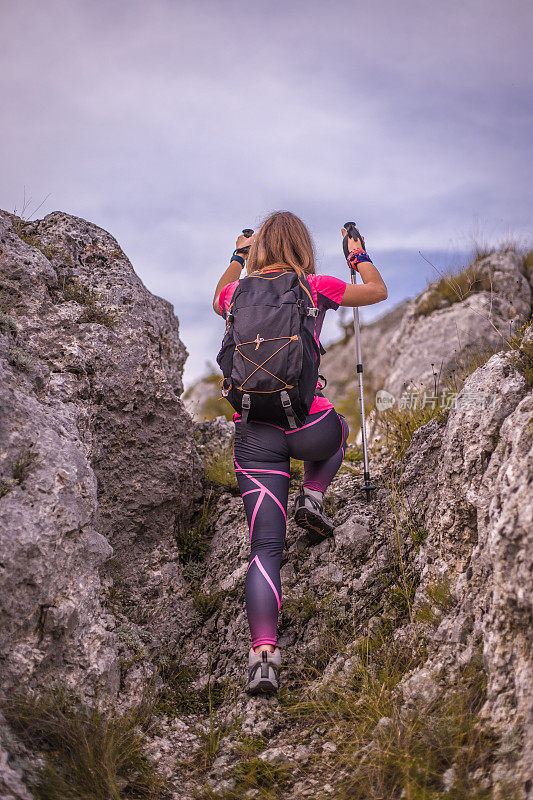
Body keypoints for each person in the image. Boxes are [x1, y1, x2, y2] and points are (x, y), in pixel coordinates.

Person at [212, 211, 387, 695]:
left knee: (265, 550)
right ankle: (313, 494)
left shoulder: (234, 295)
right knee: (340, 426)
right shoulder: (315, 286)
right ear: (303, 247)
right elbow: (377, 291)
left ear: (261, 247)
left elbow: (215, 296)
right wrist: (358, 255)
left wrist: (238, 256)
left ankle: (264, 655)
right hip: (307, 427)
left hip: (253, 437)